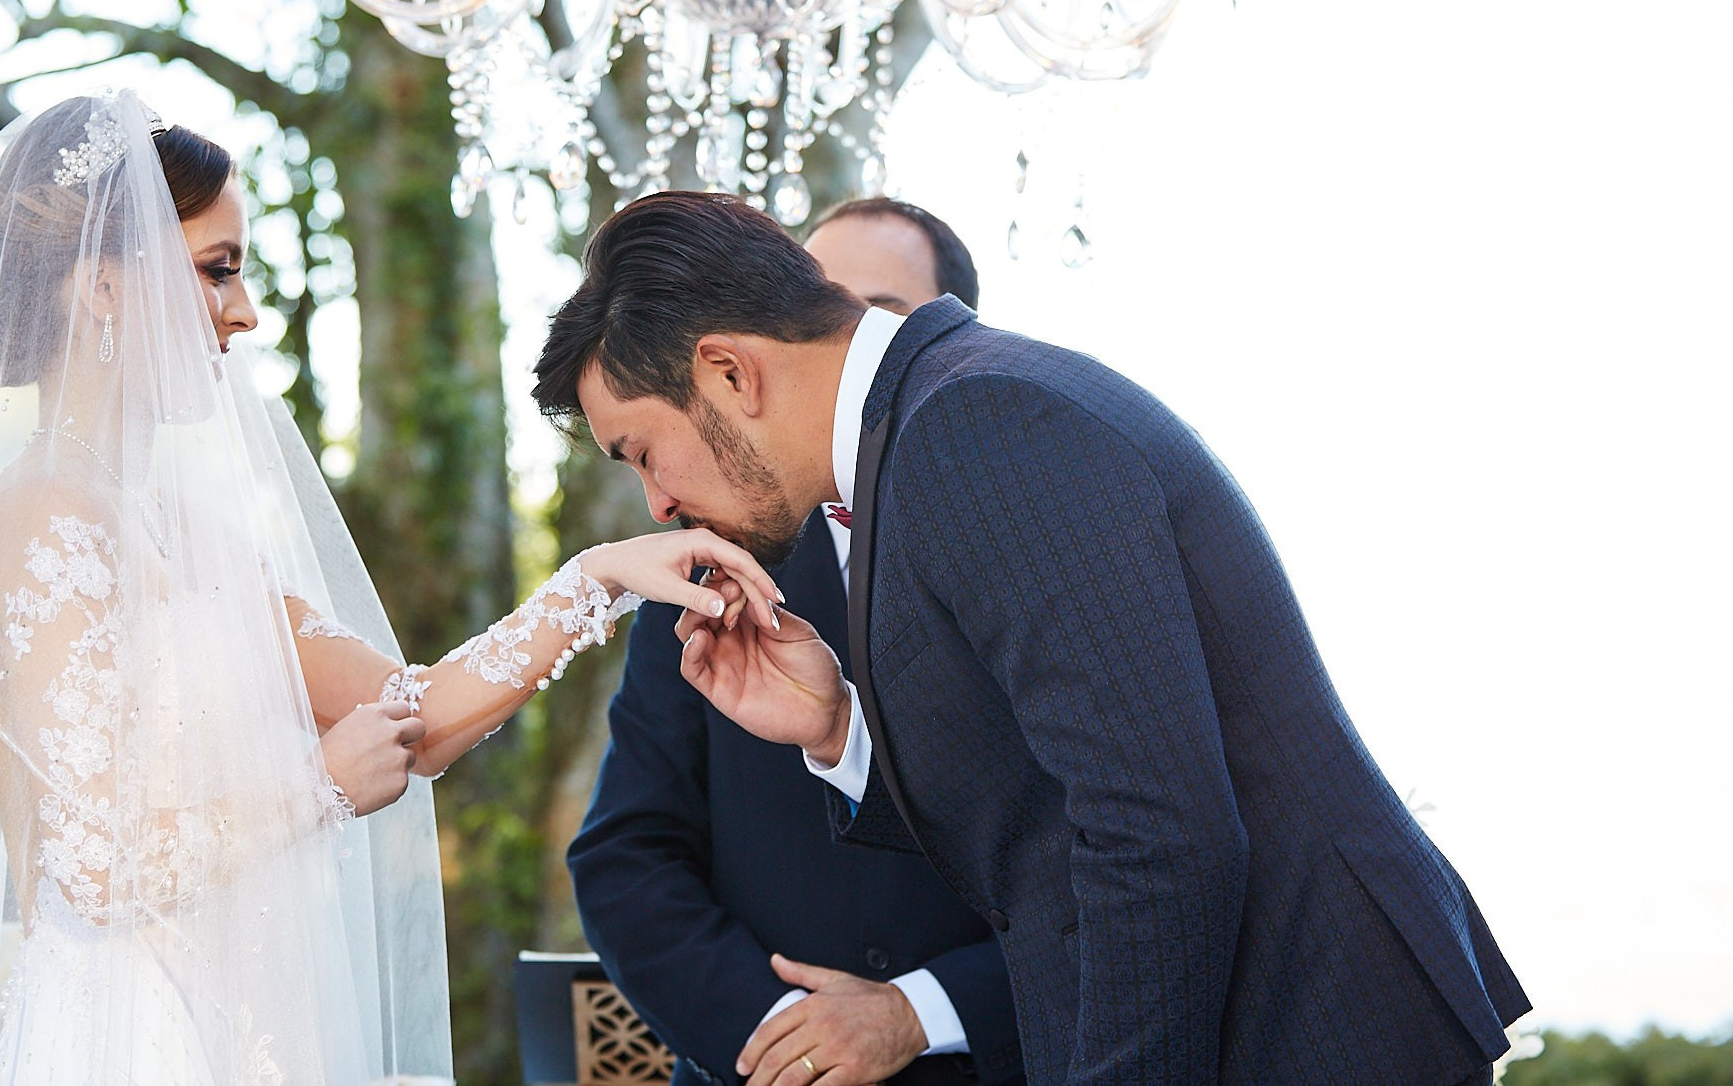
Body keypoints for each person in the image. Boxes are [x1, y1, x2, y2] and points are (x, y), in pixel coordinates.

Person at [0, 93, 777, 1084]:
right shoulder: (33, 520)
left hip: (256, 1014)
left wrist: (595, 582)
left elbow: (411, 719)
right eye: (217, 269)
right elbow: (89, 865)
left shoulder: (189, 529)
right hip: (125, 1034)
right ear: (105, 286)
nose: (246, 311)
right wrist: (314, 788)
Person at [533, 191, 1530, 1085]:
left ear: (726, 371)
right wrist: (839, 728)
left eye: (642, 451)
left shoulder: (974, 419)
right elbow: (1044, 810)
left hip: (1297, 1030)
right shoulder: (933, 426)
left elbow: (1153, 833)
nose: (656, 499)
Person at [570, 198, 1021, 1086]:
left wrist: (923, 1011)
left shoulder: (1009, 530)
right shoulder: (706, 572)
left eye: (873, 314)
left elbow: (1109, 845)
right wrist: (786, 1038)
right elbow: (626, 855)